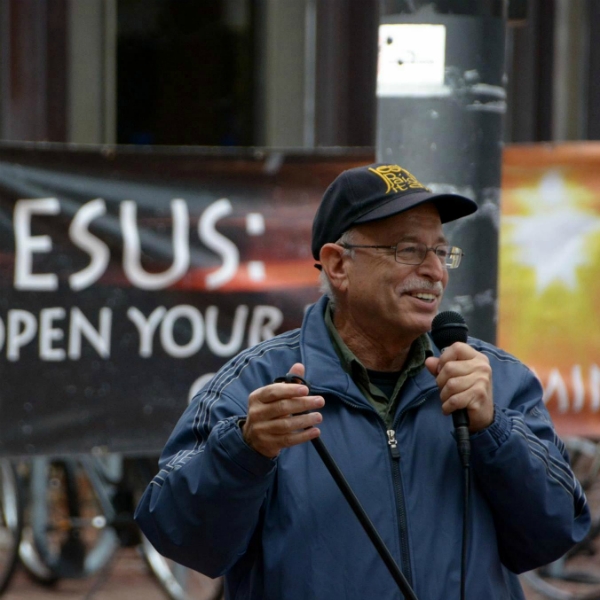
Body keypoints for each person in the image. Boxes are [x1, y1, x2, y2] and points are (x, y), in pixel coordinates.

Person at [135, 163, 590, 599]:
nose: (435, 271)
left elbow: (555, 533)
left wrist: (494, 432)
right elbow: (180, 537)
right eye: (409, 250)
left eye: (440, 250)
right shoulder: (254, 385)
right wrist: (245, 450)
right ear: (337, 265)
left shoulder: (497, 381)